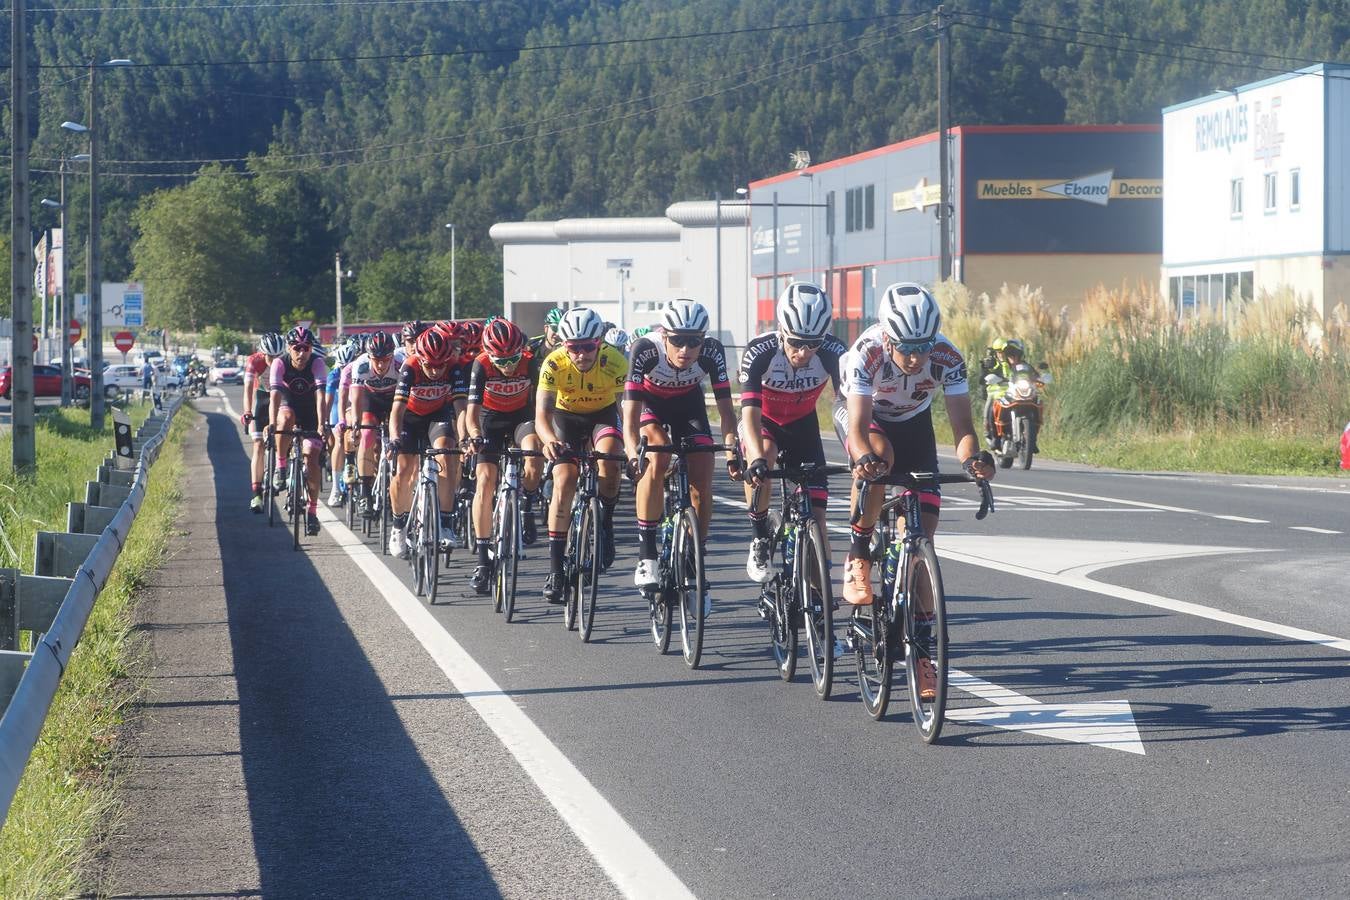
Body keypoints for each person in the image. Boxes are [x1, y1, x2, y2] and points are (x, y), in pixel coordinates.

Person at [837, 282, 995, 696]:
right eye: (906, 347)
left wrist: (972, 461)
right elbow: (855, 429)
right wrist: (862, 460)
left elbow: (963, 429)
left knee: (922, 541)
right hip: (865, 418)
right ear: (887, 337)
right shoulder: (866, 353)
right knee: (879, 459)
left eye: (922, 346)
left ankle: (923, 657)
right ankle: (857, 555)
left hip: (915, 425)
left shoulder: (947, 356)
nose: (915, 357)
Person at [622, 300, 738, 613]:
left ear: (703, 340)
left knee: (703, 473)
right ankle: (647, 552)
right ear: (664, 336)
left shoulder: (713, 352)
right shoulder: (645, 350)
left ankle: (693, 560)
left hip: (689, 406)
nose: (685, 350)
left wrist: (731, 447)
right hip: (651, 406)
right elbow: (630, 414)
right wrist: (632, 450)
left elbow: (727, 411)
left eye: (694, 342)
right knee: (656, 456)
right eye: (677, 341)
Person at [739, 282, 846, 583]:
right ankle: (759, 536)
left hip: (803, 425)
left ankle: (817, 600)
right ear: (782, 330)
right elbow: (749, 413)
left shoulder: (834, 352)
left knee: (818, 518)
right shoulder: (760, 351)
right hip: (765, 423)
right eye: (796, 342)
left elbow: (847, 406)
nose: (804, 351)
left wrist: (855, 447)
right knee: (766, 456)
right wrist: (756, 458)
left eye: (813, 344)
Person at [535, 307, 628, 604]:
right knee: (564, 479)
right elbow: (542, 416)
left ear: (599, 342)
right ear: (564, 345)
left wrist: (632, 444)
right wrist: (548, 440)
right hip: (566, 419)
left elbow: (625, 409)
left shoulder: (614, 361)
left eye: (588, 347)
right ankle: (555, 571)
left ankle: (606, 522)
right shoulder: (553, 364)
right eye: (574, 348)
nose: (582, 355)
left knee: (611, 458)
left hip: (602, 416)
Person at [465, 318, 545, 595]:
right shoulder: (482, 364)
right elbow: (472, 413)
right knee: (485, 482)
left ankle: (526, 504)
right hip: (490, 421)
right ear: (489, 353)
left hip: (521, 418)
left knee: (534, 454)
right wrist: (474, 435)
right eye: (501, 360)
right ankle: (483, 560)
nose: (509, 365)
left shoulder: (529, 362)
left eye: (513, 358)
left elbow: (538, 405)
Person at [387, 327, 465, 558]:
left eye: (439, 364)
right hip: (409, 420)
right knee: (404, 470)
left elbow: (461, 408)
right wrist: (393, 439)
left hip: (436, 416)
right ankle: (399, 526)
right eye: (429, 365)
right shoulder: (409, 367)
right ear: (420, 359)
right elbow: (397, 412)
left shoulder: (453, 366)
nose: (435, 370)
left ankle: (446, 522)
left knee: (447, 456)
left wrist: (466, 437)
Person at [268, 326, 329, 536]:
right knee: (284, 418)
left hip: (311, 411)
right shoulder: (279, 363)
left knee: (312, 456)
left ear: (311, 349)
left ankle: (312, 512)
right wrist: (271, 424)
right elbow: (275, 396)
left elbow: (321, 397)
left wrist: (322, 425)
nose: (301, 353)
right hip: (288, 404)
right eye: (297, 348)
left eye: (306, 348)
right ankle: (281, 466)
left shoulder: (318, 363)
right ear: (289, 348)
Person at [349, 331, 400, 516]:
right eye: (376, 359)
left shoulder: (401, 362)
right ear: (369, 356)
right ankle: (364, 491)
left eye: (385, 359)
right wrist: (355, 423)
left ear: (392, 356)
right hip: (372, 401)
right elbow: (356, 398)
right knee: (367, 435)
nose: (380, 364)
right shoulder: (361, 365)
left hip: (396, 400)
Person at [241, 332, 285, 513]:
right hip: (262, 398)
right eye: (270, 356)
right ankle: (257, 493)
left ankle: (282, 471)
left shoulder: (286, 361)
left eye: (277, 357)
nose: (274, 361)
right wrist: (247, 411)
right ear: (262, 353)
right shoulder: (254, 361)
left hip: (281, 397)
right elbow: (248, 390)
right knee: (258, 444)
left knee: (286, 436)